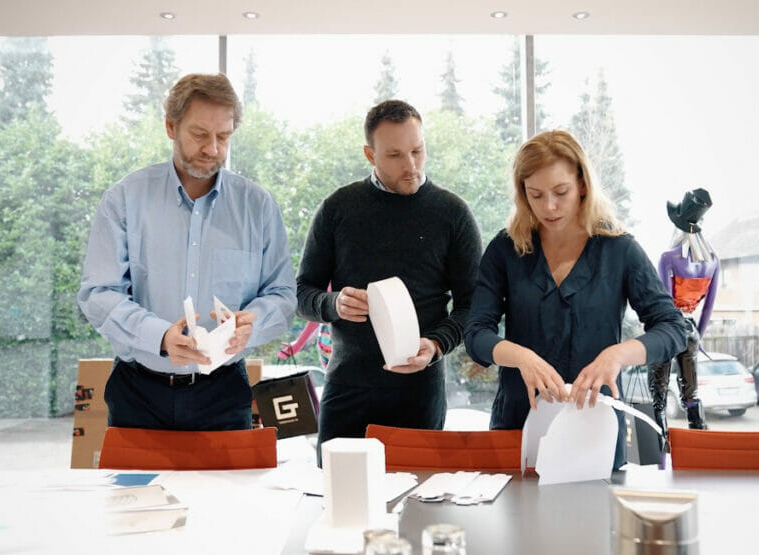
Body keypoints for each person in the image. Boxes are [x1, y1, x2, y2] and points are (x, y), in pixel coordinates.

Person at [77, 73, 296, 431]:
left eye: (223, 136)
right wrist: (159, 336)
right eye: (199, 135)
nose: (213, 149)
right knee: (139, 489)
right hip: (138, 392)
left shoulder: (257, 207)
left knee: (228, 489)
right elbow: (98, 293)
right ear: (170, 127)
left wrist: (251, 324)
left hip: (224, 394)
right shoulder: (125, 199)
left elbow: (283, 294)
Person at [463, 129, 687, 470]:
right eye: (535, 195)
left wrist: (617, 355)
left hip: (594, 427)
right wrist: (521, 357)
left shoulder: (619, 249)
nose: (548, 207)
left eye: (560, 192)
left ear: (583, 184)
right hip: (519, 422)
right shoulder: (506, 249)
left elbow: (672, 328)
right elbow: (476, 333)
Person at [295, 100, 482, 462]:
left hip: (419, 391)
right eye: (395, 155)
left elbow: (471, 305)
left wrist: (436, 344)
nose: (410, 166)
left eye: (417, 150)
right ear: (370, 154)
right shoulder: (337, 208)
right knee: (336, 502)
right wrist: (332, 304)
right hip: (347, 387)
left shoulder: (452, 213)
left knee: (417, 502)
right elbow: (301, 293)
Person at [649, 188, 720, 439]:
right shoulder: (713, 260)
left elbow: (666, 305)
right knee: (691, 394)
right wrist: (696, 338)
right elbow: (708, 307)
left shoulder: (668, 258)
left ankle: (660, 451)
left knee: (658, 396)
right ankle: (700, 443)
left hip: (668, 330)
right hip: (691, 330)